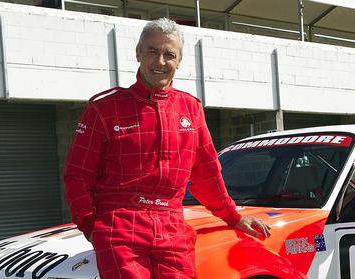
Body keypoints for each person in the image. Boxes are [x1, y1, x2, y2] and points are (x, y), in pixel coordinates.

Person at [64, 18, 271, 279]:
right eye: (152, 51)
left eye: (169, 54)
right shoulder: (103, 109)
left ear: (179, 61)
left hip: (173, 226)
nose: (160, 61)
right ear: (138, 53)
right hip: (119, 225)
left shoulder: (191, 109)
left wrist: (233, 217)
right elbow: (77, 175)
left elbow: (207, 174)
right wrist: (92, 226)